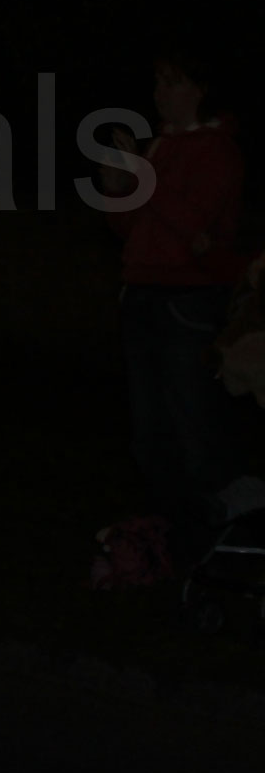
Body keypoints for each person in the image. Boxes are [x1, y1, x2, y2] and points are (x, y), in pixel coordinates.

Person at [101, 49, 247, 561]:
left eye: (172, 83)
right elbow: (134, 228)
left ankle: (210, 537)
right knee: (149, 432)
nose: (159, 93)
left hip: (187, 299)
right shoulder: (161, 145)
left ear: (200, 89)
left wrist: (145, 178)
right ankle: (164, 539)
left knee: (192, 427)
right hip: (142, 292)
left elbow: (193, 227)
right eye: (158, 83)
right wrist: (117, 188)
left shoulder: (218, 152)